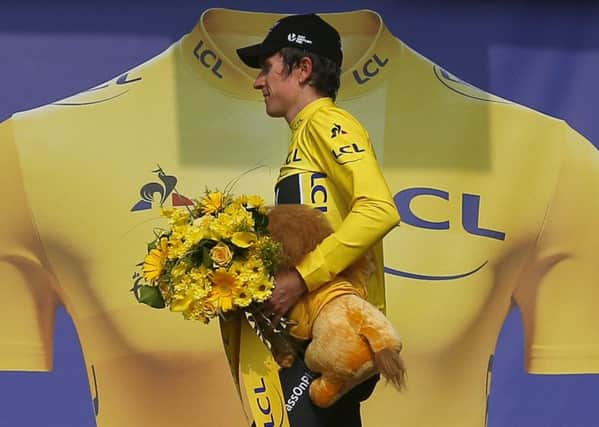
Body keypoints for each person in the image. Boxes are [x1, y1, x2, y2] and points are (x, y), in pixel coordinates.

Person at [236, 13, 400, 427]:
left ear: (303, 68)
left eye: (267, 68)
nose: (259, 82)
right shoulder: (305, 134)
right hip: (321, 334)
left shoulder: (327, 123)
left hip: (334, 329)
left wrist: (301, 279)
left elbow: (379, 209)